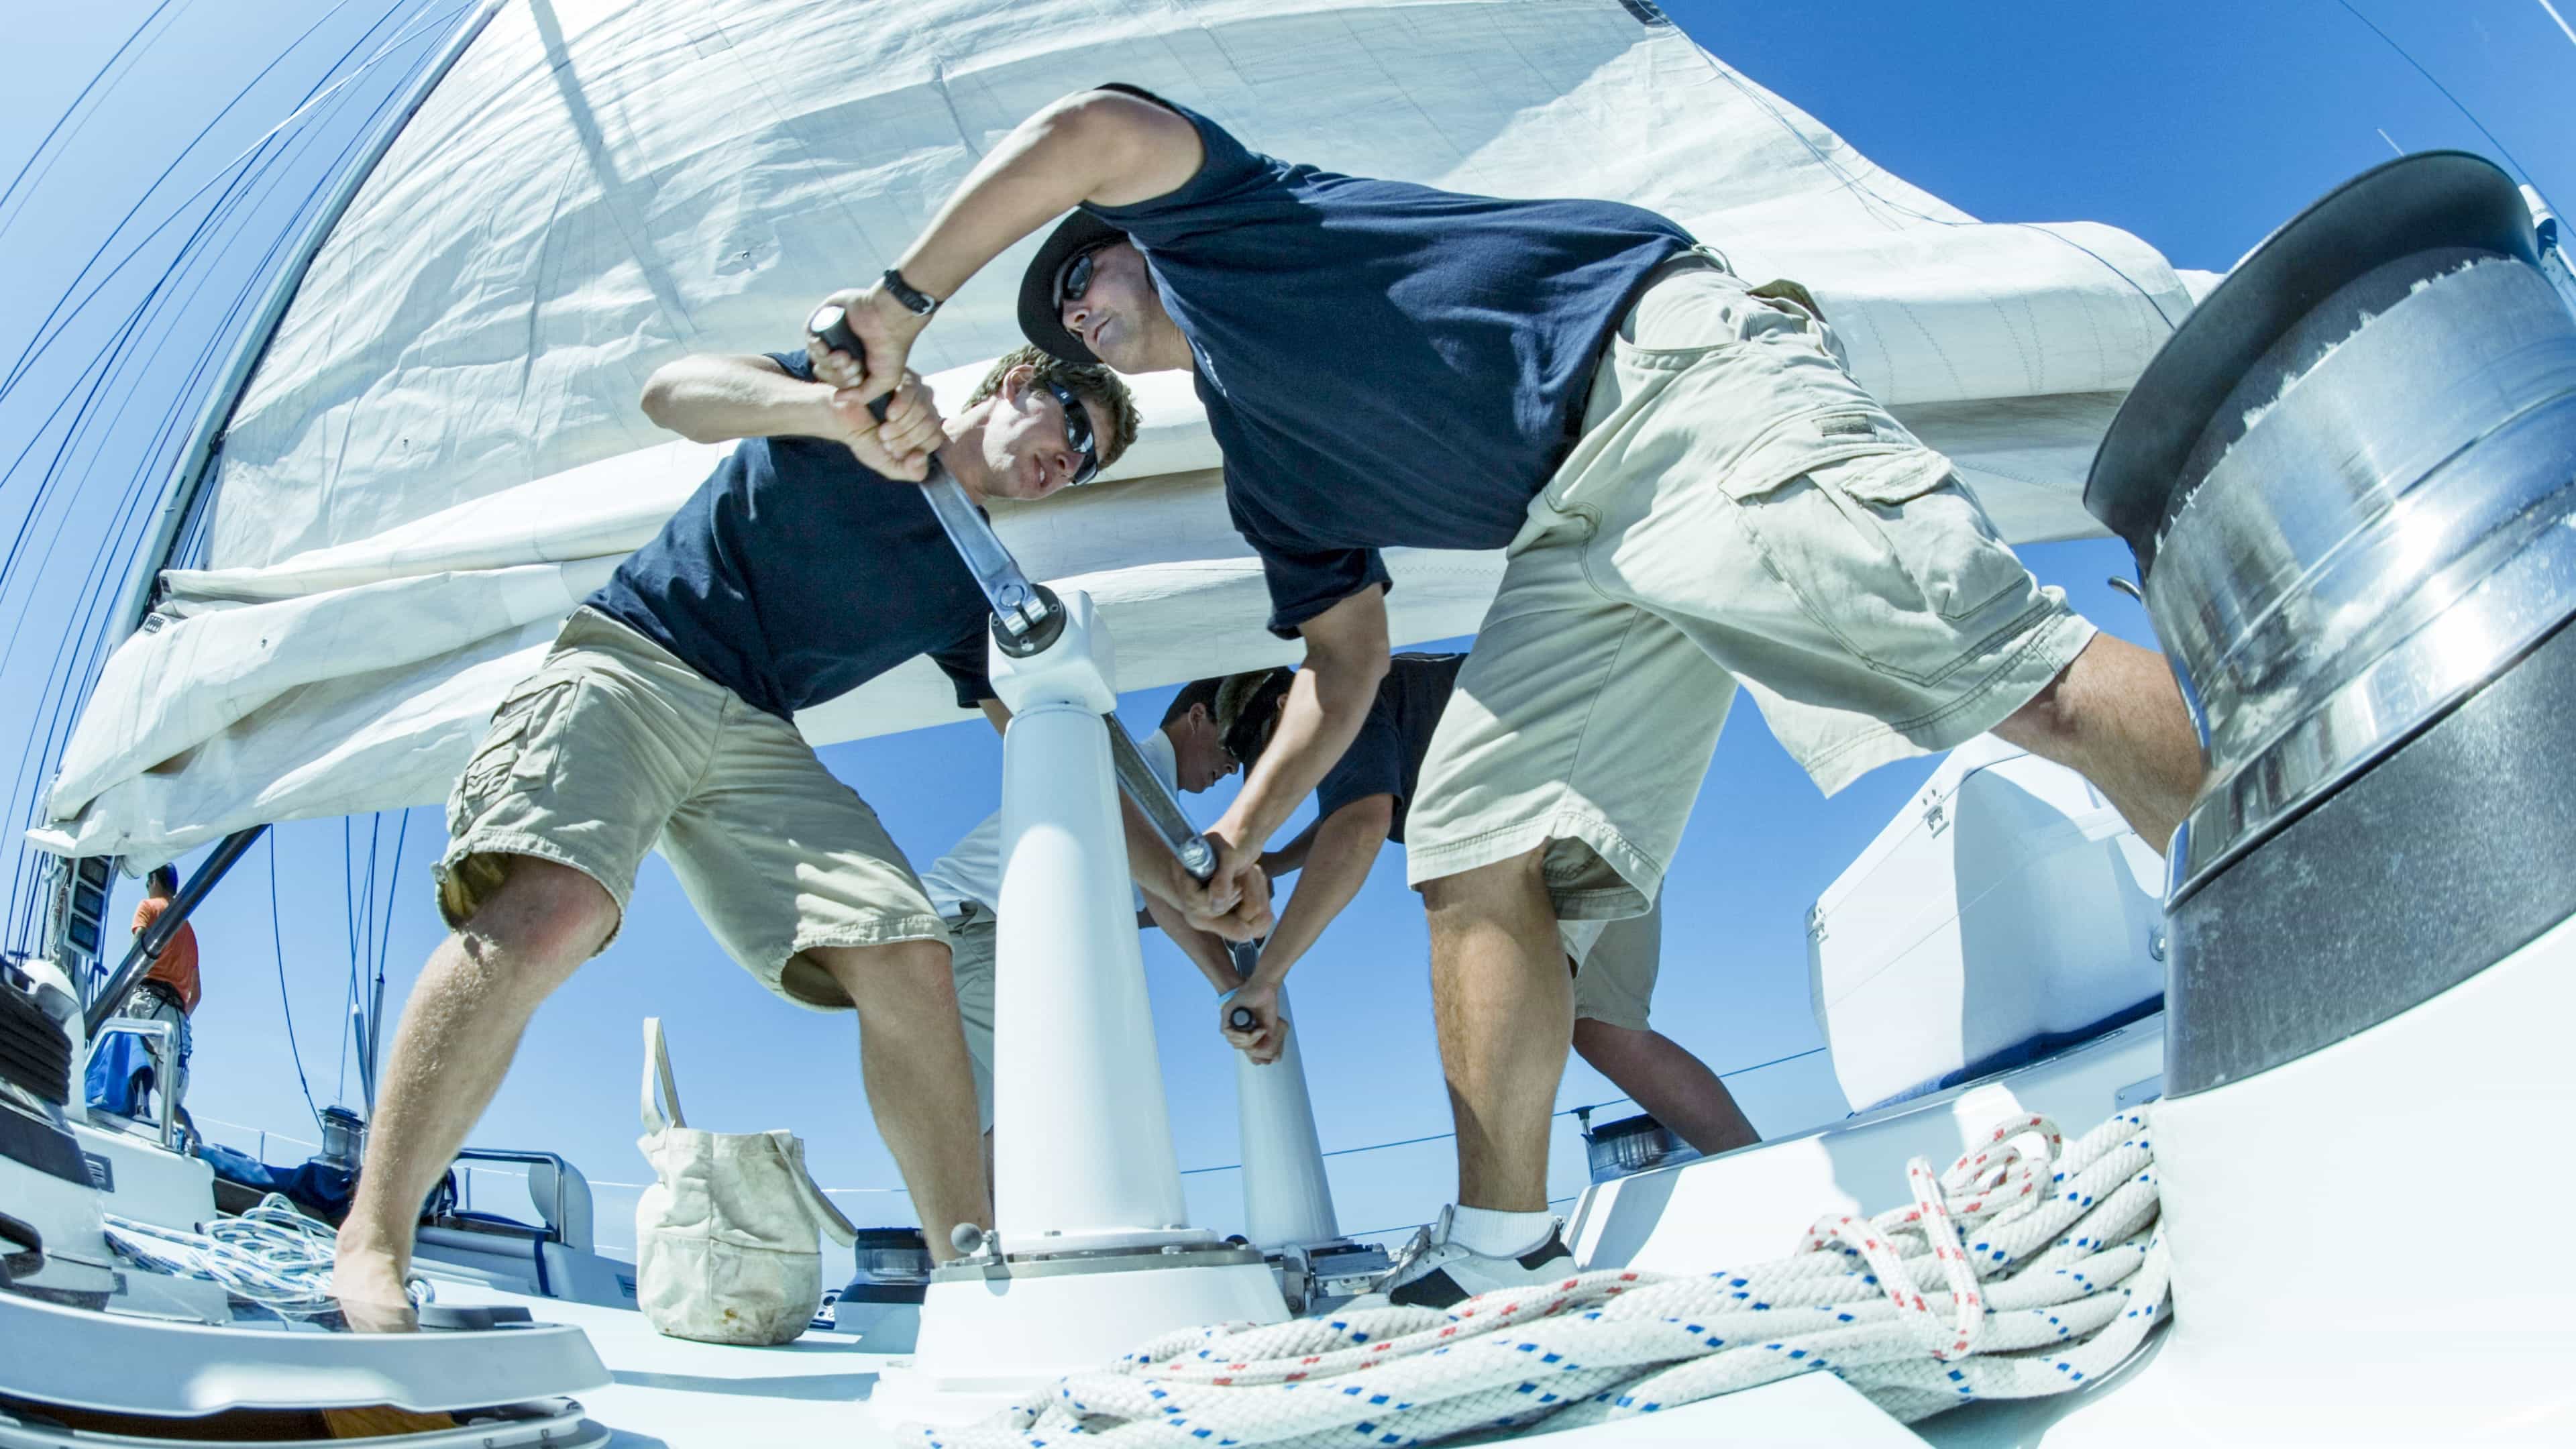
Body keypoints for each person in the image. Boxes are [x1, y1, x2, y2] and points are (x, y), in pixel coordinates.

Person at [804, 84, 2203, 1307]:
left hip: (1666, 376)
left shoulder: (1233, 234)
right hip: (1570, 530)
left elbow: (1090, 131)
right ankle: (1502, 1243)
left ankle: (2308, 906)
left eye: (1079, 283)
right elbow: (1344, 665)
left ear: (1129, 239)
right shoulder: (1266, 469)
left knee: (2006, 675)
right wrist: (1229, 843)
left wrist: (901, 301)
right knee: (1469, 840)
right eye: (1065, 325)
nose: (1082, 319)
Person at [331, 340, 1156, 1329]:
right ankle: (374, 1239)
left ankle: (970, 1287)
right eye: (1074, 428)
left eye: (1090, 462)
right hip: (640, 658)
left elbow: (1038, 733)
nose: (1071, 464)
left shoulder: (977, 579)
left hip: (757, 732)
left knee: (909, 950)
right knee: (558, 908)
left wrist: (1180, 881)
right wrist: (831, 412)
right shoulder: (864, 400)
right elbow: (670, 393)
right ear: (1019, 384)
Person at [1207, 659, 1757, 1159]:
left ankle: (1506, 1238)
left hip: (1557, 818)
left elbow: (1359, 827)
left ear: (1285, 707)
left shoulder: (1330, 698)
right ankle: (1755, 1169)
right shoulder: (1385, 692)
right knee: (1606, 1029)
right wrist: (1274, 862)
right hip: (1610, 797)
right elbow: (1348, 812)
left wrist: (1267, 977)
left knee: (1502, 1019)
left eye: (1271, 759)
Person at [919, 676, 1240, 1181]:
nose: (1236, 765)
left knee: (990, 1125)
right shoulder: (1138, 776)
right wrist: (1233, 990)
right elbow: (1165, 899)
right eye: (1234, 743)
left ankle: (992, 1248)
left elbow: (1132, 902)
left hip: (951, 937)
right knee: (1062, 1093)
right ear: (1197, 717)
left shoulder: (1147, 796)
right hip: (976, 930)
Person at [89, 863, 200, 1122]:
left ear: (153, 881)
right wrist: (179, 1017)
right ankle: (188, 1136)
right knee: (173, 1104)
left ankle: (128, 1113)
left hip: (147, 1004)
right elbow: (197, 994)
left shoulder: (148, 908)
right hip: (177, 1024)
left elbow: (135, 958)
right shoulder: (190, 932)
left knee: (132, 1069)